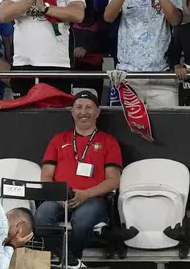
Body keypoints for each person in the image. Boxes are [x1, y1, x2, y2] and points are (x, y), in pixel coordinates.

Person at [36, 90, 122, 268]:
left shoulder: (109, 141)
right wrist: (58, 194)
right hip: (60, 198)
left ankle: (68, 261)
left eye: (89, 107)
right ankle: (70, 261)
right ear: (72, 111)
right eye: (79, 107)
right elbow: (46, 175)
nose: (84, 112)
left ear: (98, 112)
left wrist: (85, 194)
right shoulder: (58, 139)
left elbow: (113, 180)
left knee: (82, 221)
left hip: (93, 199)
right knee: (41, 216)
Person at [103, 0, 182, 106]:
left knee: (166, 127)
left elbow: (175, 20)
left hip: (161, 77)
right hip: (127, 77)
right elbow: (108, 17)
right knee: (124, 129)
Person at [72, 0, 107, 101]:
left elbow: (105, 38)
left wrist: (87, 49)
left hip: (92, 67)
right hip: (70, 65)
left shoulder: (102, 6)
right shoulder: (69, 3)